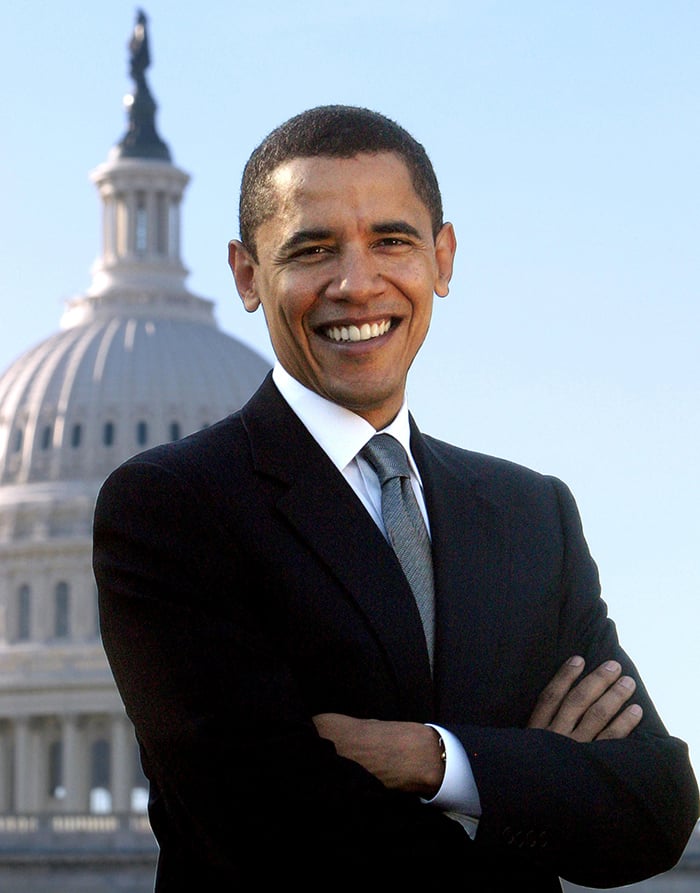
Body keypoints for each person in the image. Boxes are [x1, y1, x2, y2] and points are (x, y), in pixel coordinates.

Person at [93, 105, 698, 889]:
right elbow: (262, 834)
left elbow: (657, 804)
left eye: (393, 240)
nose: (357, 283)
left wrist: (435, 761)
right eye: (313, 249)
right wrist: (533, 781)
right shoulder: (171, 505)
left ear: (443, 259)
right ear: (248, 274)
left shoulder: (530, 512)